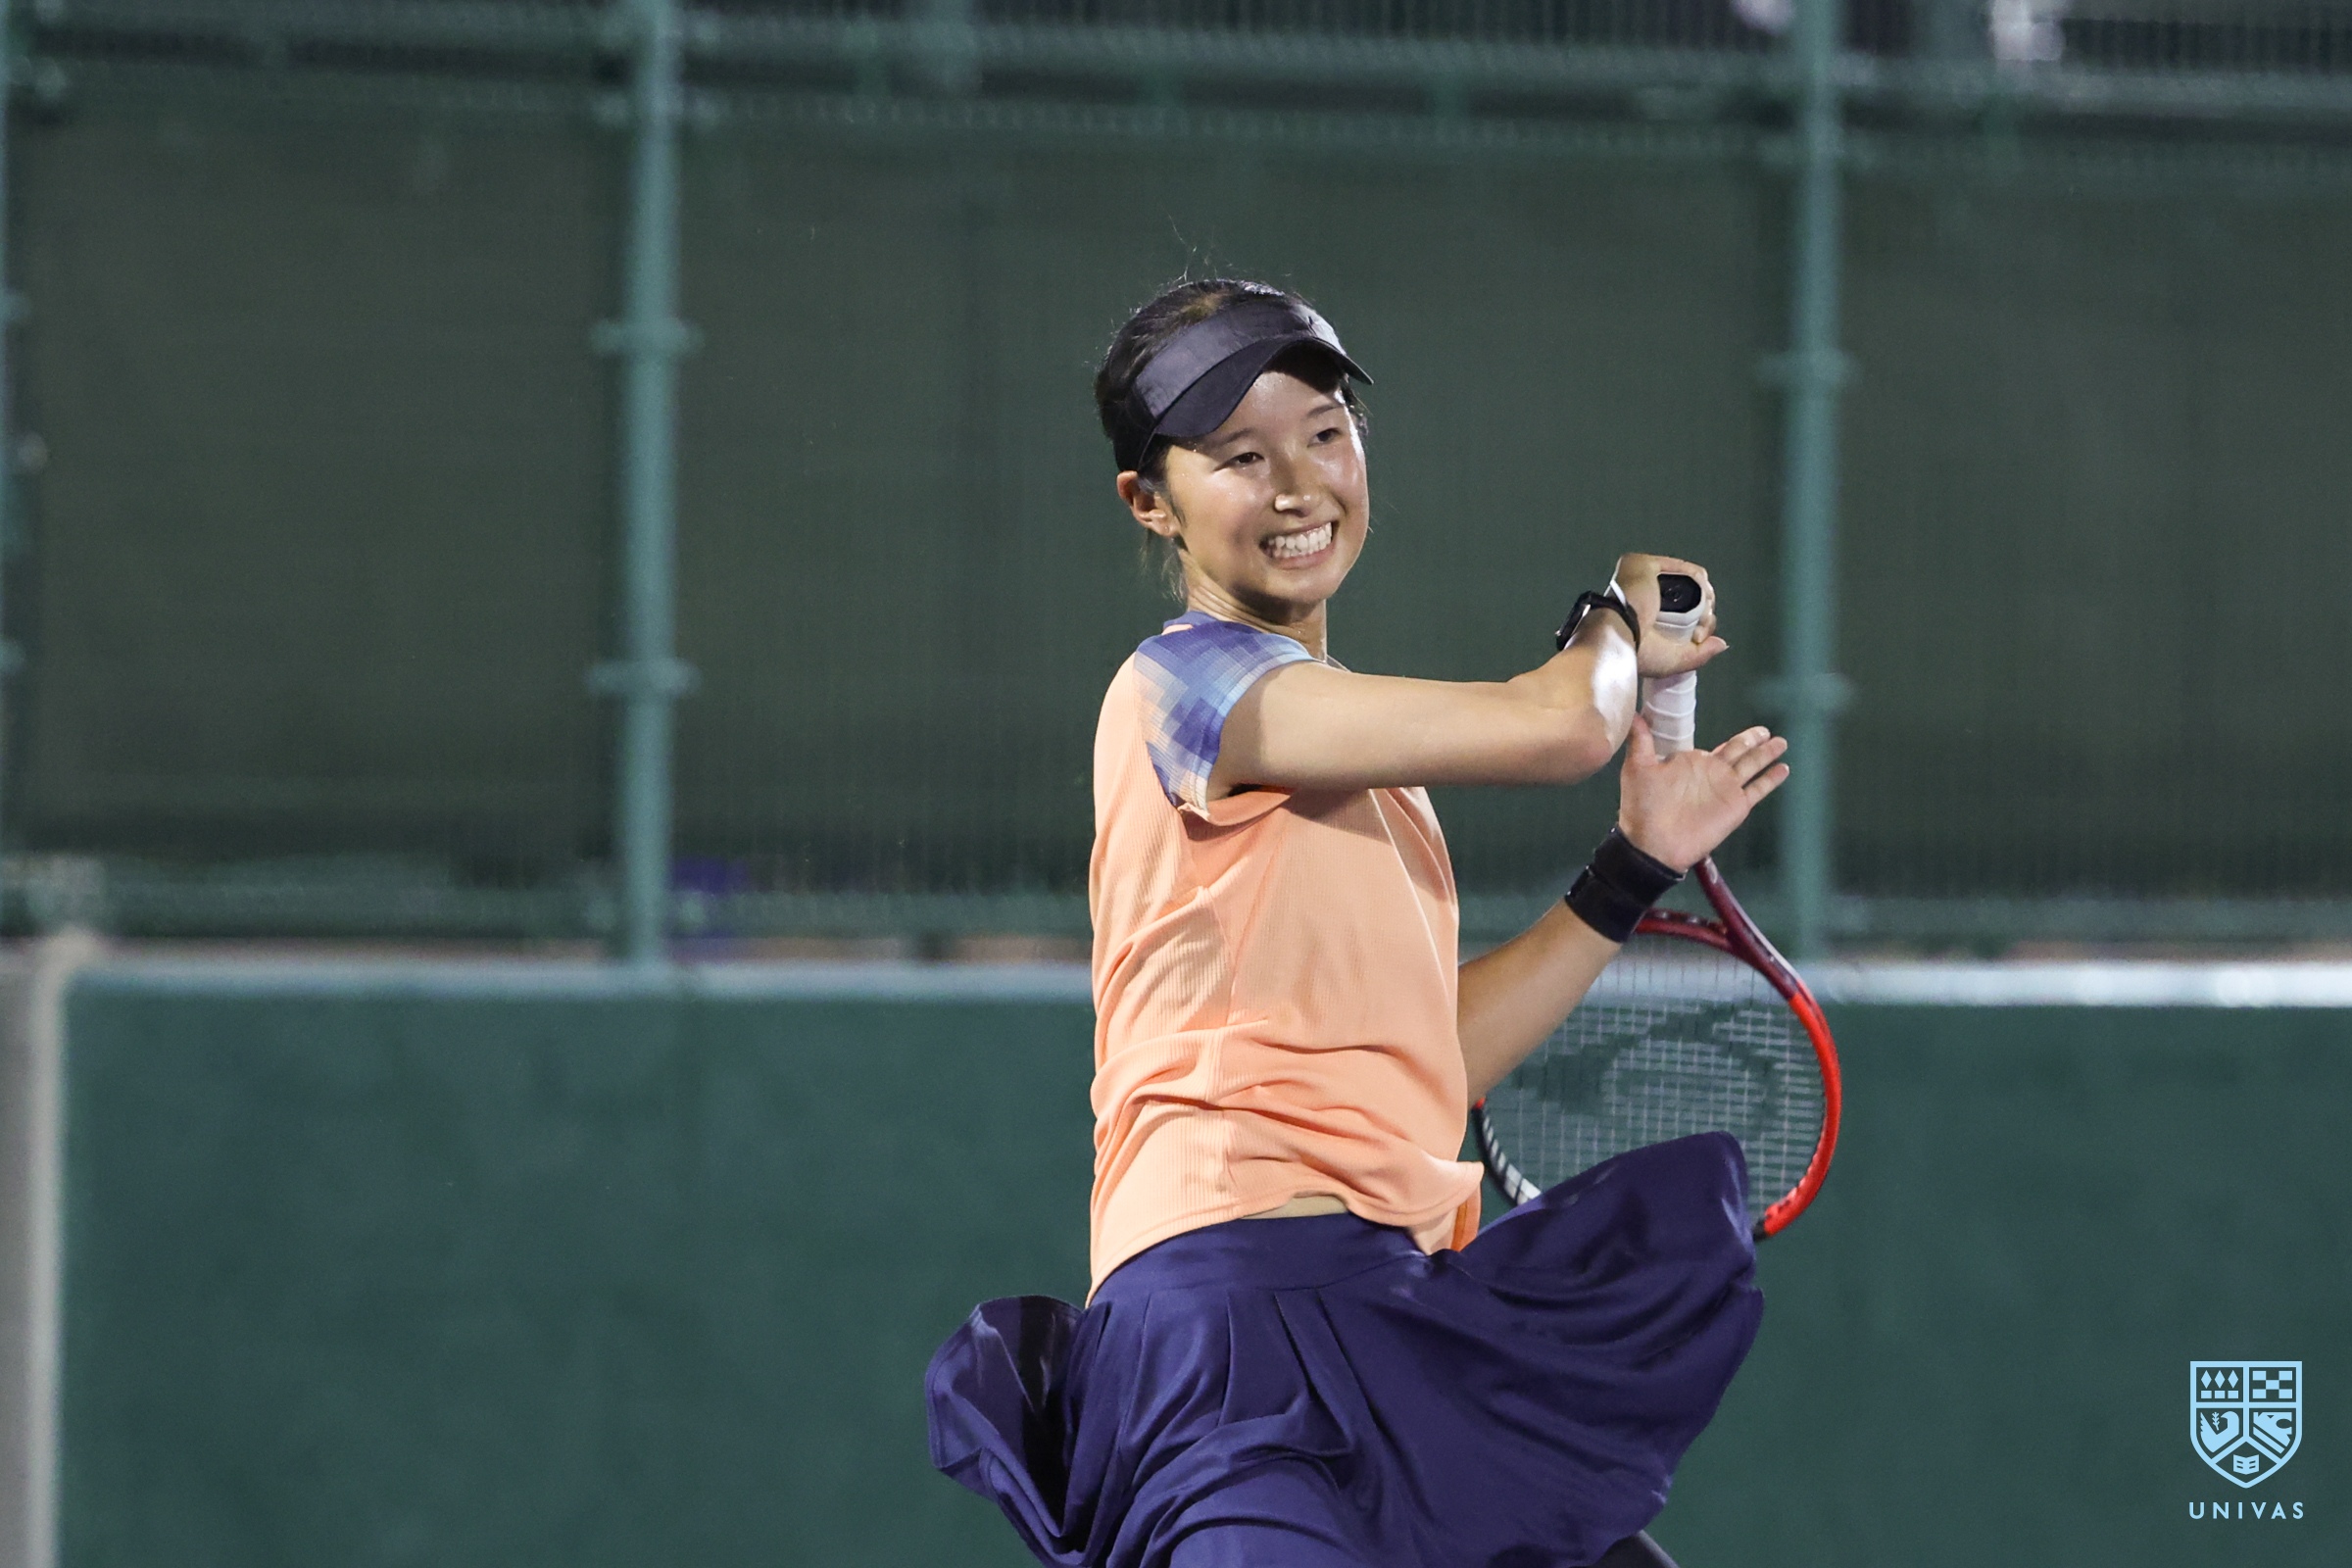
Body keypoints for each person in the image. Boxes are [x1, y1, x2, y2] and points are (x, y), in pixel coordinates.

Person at [927, 278, 1791, 1568]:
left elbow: (1425, 1058)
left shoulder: (1361, 762)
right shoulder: (1187, 687)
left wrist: (1631, 869)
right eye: (1239, 456)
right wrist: (1614, 614)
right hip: (1230, 1335)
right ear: (1150, 502)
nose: (1298, 486)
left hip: (1388, 1314)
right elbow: (1568, 721)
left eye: (1326, 434)